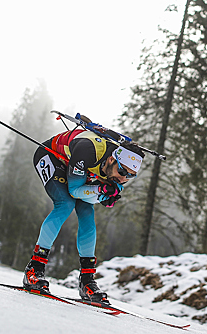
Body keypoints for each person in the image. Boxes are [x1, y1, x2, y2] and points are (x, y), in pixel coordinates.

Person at [23, 124, 145, 304]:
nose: (122, 179)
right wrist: (101, 190)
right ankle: (34, 268)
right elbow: (74, 190)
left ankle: (87, 280)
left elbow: (91, 194)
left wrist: (102, 195)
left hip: (77, 168)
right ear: (111, 160)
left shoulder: (116, 170)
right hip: (51, 156)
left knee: (87, 213)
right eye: (121, 172)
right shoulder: (88, 150)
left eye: (130, 177)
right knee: (65, 204)